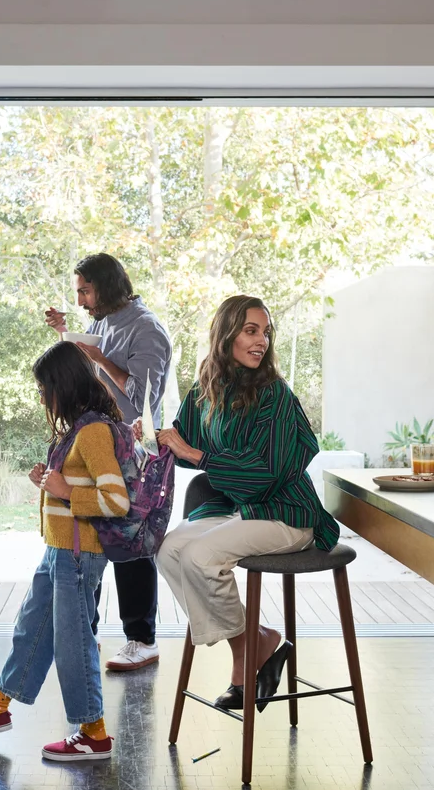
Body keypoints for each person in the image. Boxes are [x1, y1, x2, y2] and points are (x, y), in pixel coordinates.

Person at [155, 295, 339, 711]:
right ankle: (257, 641)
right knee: (169, 551)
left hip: (285, 512)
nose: (261, 341)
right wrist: (152, 437)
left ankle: (245, 659)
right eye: (251, 331)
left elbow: (266, 473)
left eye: (265, 332)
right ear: (226, 335)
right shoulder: (209, 388)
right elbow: (186, 445)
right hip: (241, 510)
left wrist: (196, 455)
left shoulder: (274, 394)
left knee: (201, 555)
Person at [0, 342, 130, 761]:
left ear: (62, 385)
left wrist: (64, 490)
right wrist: (52, 485)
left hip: (79, 555)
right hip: (60, 551)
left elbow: (116, 500)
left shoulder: (94, 431)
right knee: (30, 630)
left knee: (73, 643)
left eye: (44, 387)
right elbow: (79, 489)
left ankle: (94, 732)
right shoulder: (79, 429)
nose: (42, 396)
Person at [44, 252, 172, 672]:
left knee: (131, 542)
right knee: (93, 535)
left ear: (106, 286)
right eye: (77, 292)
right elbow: (91, 379)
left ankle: (142, 640)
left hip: (134, 448)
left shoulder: (147, 329)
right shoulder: (102, 323)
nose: (80, 300)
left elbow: (140, 401)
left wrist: (96, 358)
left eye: (85, 291)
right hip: (98, 436)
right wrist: (69, 334)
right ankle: (87, 632)